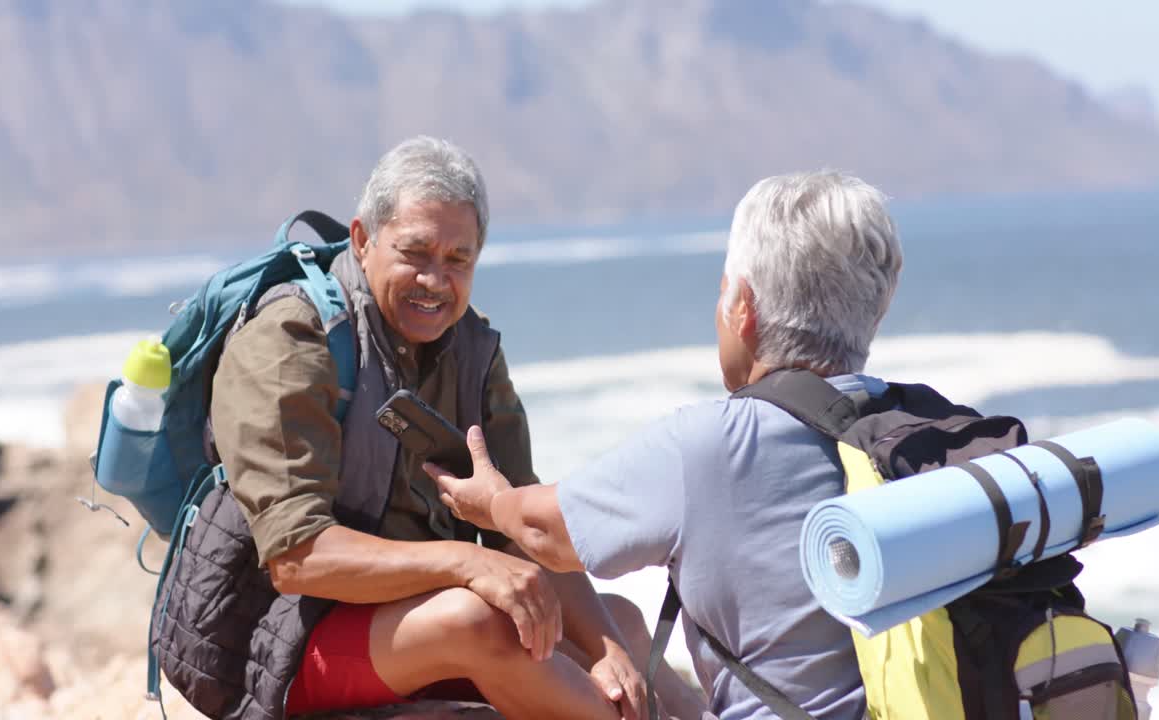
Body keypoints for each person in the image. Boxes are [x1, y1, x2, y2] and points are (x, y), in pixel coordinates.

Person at [152, 136, 650, 720]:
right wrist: (470, 564)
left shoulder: (473, 350)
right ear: (363, 240)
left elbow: (523, 526)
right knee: (476, 618)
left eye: (458, 260)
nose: (435, 281)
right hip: (276, 641)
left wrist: (607, 649)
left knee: (627, 628)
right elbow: (297, 558)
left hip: (403, 625)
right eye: (415, 253)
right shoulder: (294, 338)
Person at [430, 171, 904, 719]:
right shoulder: (921, 426)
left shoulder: (712, 445)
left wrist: (489, 502)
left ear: (742, 308)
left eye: (725, 288)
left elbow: (546, 532)